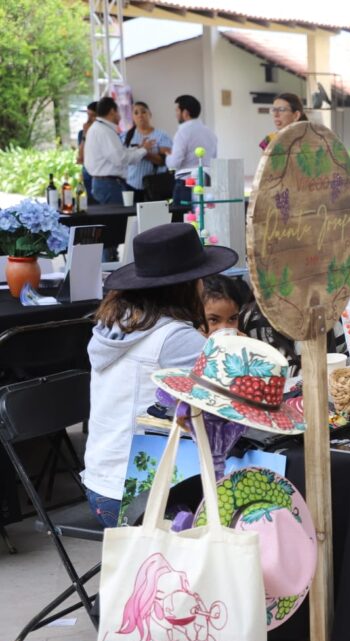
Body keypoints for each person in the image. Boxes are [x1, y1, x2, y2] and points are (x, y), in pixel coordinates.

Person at [82, 223, 238, 526]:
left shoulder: (118, 324)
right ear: (189, 284)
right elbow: (233, 397)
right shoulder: (175, 337)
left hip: (102, 484)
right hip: (141, 496)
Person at [83, 97, 156, 205]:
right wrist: (144, 150)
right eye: (119, 112)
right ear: (113, 111)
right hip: (109, 185)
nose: (121, 117)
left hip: (105, 183)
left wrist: (139, 148)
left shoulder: (99, 128)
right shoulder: (104, 131)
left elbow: (120, 152)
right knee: (118, 220)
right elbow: (120, 158)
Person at [121, 102, 173, 195]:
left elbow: (164, 160)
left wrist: (143, 152)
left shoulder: (161, 135)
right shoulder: (126, 136)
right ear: (132, 117)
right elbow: (122, 158)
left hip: (155, 185)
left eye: (143, 112)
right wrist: (142, 150)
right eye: (136, 113)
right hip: (131, 185)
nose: (140, 115)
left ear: (150, 114)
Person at [166, 94, 218, 174]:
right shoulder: (210, 133)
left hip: (186, 182)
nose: (176, 115)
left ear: (185, 113)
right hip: (207, 181)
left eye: (177, 111)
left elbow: (174, 164)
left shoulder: (182, 133)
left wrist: (168, 156)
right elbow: (214, 158)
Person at [76, 101, 98, 202]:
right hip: (87, 172)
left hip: (99, 172)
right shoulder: (82, 133)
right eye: (88, 115)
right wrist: (85, 135)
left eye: (92, 116)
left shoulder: (103, 132)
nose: (89, 119)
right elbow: (80, 158)